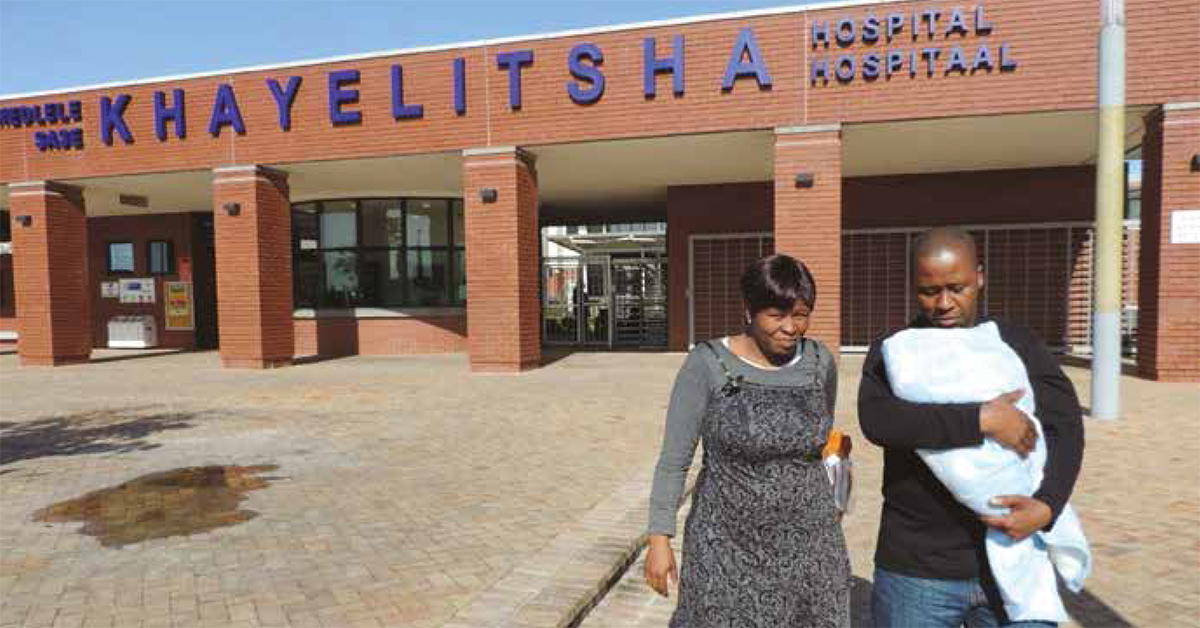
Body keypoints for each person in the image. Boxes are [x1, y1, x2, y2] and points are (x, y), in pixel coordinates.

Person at [858, 227, 1085, 627]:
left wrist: (1047, 506)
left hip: (1014, 564)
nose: (944, 303)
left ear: (980, 276)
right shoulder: (896, 349)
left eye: (956, 287)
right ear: (914, 287)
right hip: (916, 570)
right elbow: (880, 420)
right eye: (930, 291)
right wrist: (982, 419)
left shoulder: (1016, 342)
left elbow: (1065, 426)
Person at [644, 254, 850, 627]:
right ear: (749, 311)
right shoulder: (706, 364)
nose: (790, 328)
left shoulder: (820, 362)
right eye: (776, 315)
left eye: (801, 315)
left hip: (811, 548)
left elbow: (820, 444)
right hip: (725, 546)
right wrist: (659, 539)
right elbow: (674, 460)